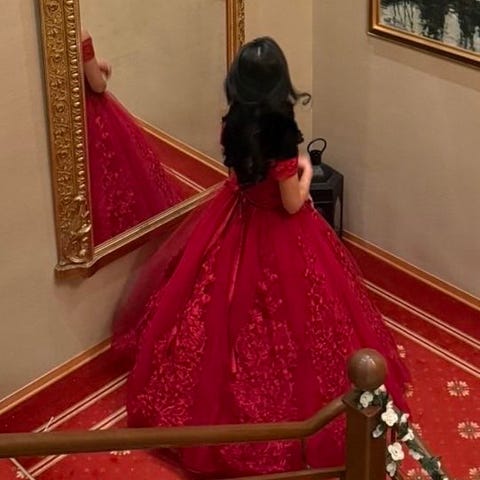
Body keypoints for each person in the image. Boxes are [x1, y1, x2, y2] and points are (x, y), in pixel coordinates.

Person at [112, 37, 410, 476]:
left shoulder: (232, 120)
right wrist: (304, 170)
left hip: (237, 215)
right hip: (280, 230)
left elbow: (238, 176)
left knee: (217, 317)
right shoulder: (281, 133)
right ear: (279, 82)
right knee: (304, 327)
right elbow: (291, 203)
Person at [81, 30, 181, 245]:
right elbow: (97, 85)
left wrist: (92, 65)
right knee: (115, 169)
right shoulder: (79, 34)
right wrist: (96, 72)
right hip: (91, 113)